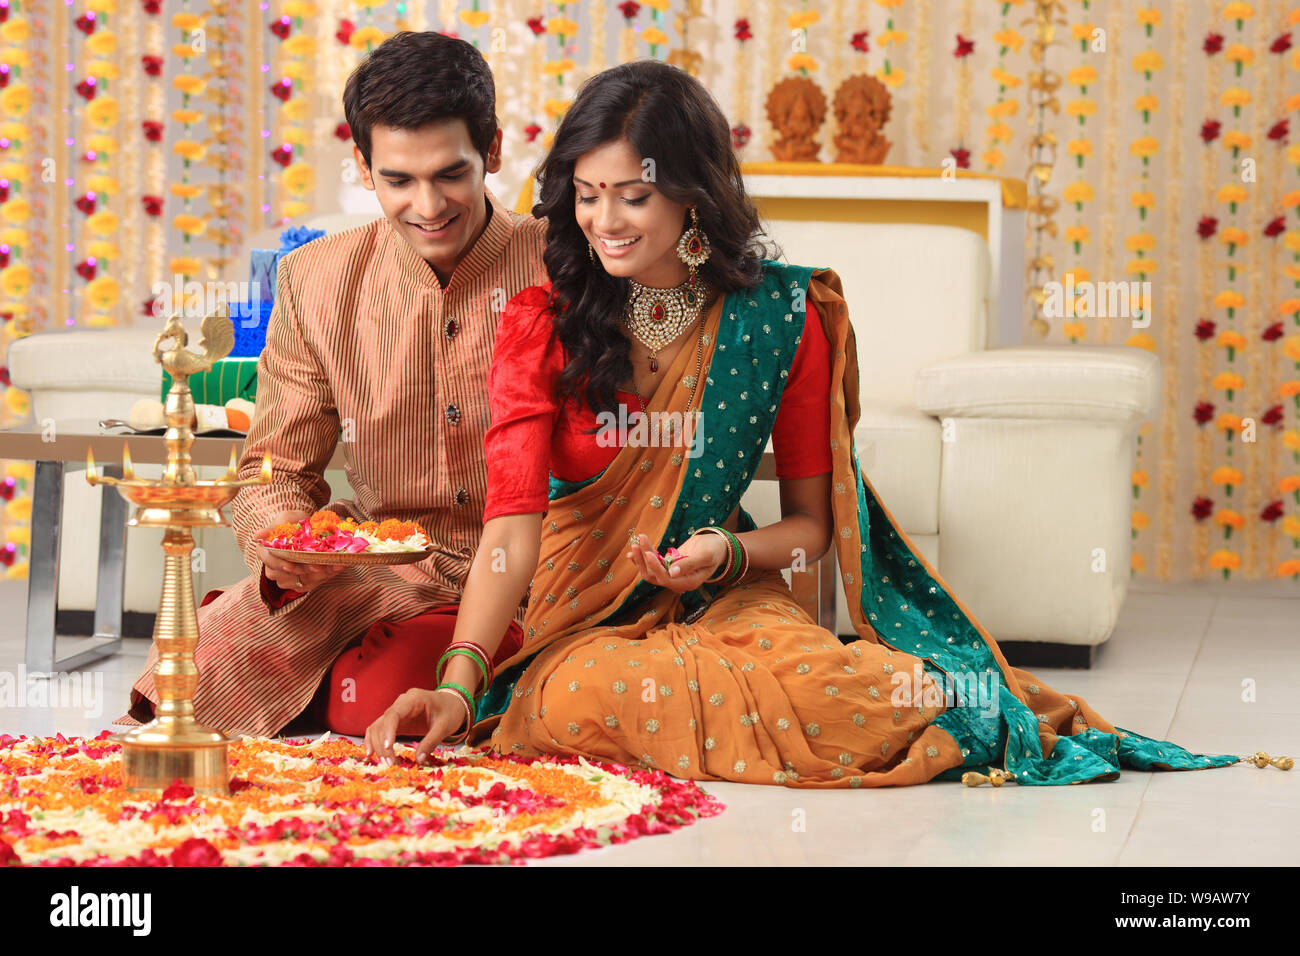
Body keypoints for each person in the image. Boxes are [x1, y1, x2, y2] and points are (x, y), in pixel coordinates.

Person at [364, 60, 1251, 788]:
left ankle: (960, 709)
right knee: (574, 702)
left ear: (691, 196)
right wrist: (459, 680)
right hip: (579, 621)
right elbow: (510, 532)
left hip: (728, 591)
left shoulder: (781, 319)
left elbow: (810, 532)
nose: (603, 221)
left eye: (631, 196)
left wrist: (720, 550)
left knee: (839, 684)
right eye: (586, 196)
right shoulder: (541, 322)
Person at [115, 32, 547, 739]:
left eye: (451, 174)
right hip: (388, 569)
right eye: (399, 180)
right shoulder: (317, 281)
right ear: (362, 166)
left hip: (541, 570)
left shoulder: (563, 262)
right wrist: (283, 542)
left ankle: (407, 675)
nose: (429, 205)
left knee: (368, 698)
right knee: (189, 673)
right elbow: (273, 466)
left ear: (492, 151)